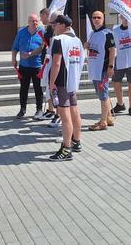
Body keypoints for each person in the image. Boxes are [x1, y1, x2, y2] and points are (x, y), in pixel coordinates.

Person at [48, 14, 84, 161]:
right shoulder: (77, 41)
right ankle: (76, 141)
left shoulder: (58, 40)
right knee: (75, 111)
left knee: (65, 117)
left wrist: (51, 83)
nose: (54, 28)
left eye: (55, 25)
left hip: (61, 82)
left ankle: (66, 149)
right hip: (72, 81)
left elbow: (56, 63)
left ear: (62, 25)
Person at [86, 11, 116, 131]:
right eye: (94, 17)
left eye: (99, 17)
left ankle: (103, 122)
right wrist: (86, 45)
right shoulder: (92, 33)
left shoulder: (107, 33)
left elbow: (112, 50)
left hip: (103, 69)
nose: (96, 19)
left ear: (103, 19)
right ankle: (108, 117)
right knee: (102, 95)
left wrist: (111, 67)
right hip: (94, 68)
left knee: (103, 96)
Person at [11, 14, 45, 119]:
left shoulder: (42, 32)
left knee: (38, 89)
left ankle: (39, 110)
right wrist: (13, 59)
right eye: (32, 21)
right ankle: (22, 109)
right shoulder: (21, 32)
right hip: (24, 66)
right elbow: (15, 47)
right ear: (28, 22)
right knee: (23, 89)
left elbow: (44, 46)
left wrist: (32, 53)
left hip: (37, 65)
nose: (34, 23)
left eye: (36, 21)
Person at [37, 8, 58, 125]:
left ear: (47, 15)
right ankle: (50, 109)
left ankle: (57, 113)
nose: (41, 19)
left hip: (52, 62)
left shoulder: (54, 30)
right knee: (47, 86)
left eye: (42, 17)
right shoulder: (47, 30)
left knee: (52, 86)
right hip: (46, 61)